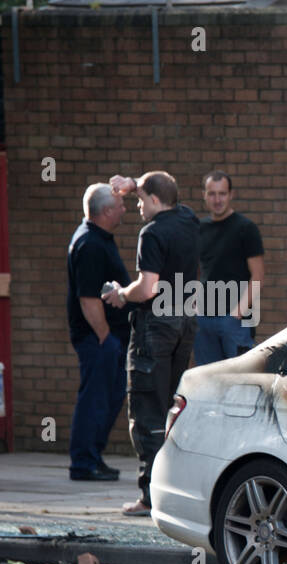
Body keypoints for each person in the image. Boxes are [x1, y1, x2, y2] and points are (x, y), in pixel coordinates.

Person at [102, 171, 200, 516]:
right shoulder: (188, 219)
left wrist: (120, 295)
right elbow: (167, 189)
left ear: (155, 201)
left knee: (147, 411)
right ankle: (172, 491)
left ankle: (149, 497)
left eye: (141, 200)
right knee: (171, 408)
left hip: (155, 327)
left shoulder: (153, 232)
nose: (138, 206)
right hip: (185, 323)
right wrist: (135, 184)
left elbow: (147, 288)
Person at [66, 183, 130, 481]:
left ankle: (93, 457)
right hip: (98, 339)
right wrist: (105, 337)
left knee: (109, 397)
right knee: (95, 398)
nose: (124, 210)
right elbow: (88, 298)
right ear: (106, 211)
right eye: (120, 206)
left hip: (107, 339)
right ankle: (83, 463)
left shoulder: (99, 238)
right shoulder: (90, 244)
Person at [194, 170, 264, 364]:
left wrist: (237, 313)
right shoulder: (199, 228)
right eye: (212, 193)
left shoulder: (246, 228)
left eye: (222, 193)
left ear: (231, 195)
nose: (217, 200)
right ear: (204, 195)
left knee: (238, 383)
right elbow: (198, 270)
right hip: (204, 319)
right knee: (206, 382)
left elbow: (258, 276)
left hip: (235, 321)